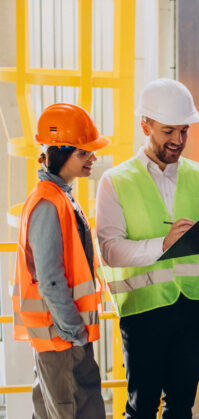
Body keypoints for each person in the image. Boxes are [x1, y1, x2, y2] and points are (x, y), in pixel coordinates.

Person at [96, 78, 199, 419]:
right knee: (141, 408)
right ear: (145, 125)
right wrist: (162, 244)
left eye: (184, 131)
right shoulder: (114, 181)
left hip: (193, 309)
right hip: (143, 311)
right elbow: (110, 251)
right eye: (168, 131)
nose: (178, 141)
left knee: (181, 407)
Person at [11, 103, 108, 419]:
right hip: (62, 338)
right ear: (58, 153)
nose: (92, 159)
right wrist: (75, 332)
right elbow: (50, 280)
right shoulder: (49, 204)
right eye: (83, 153)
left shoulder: (61, 197)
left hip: (64, 337)